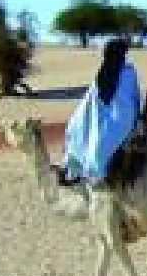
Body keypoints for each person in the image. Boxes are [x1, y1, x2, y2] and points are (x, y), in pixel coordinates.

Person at [60, 38, 141, 185]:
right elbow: (91, 101)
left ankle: (92, 172)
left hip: (120, 117)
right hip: (105, 115)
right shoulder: (109, 71)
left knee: (98, 141)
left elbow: (126, 101)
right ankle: (77, 170)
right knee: (75, 127)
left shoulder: (125, 72)